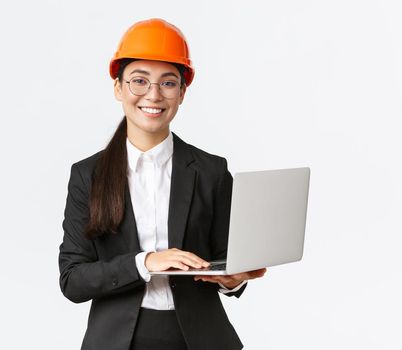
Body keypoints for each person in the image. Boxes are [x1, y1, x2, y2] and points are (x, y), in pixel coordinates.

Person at [58, 18, 266, 350]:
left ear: (183, 92)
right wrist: (145, 261)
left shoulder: (211, 171)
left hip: (200, 339)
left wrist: (232, 280)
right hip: (117, 340)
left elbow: (227, 261)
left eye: (168, 83)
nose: (153, 95)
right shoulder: (89, 175)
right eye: (139, 81)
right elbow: (72, 280)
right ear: (118, 87)